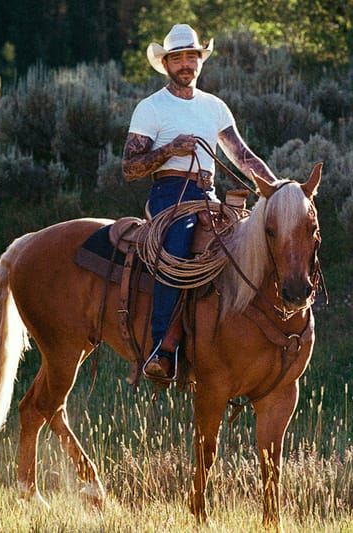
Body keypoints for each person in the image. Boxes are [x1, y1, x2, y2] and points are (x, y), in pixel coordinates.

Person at [122, 23, 278, 380]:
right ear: (166, 64)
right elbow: (130, 168)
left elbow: (243, 156)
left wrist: (276, 189)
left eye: (191, 57)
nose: (185, 65)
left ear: (200, 61)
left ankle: (238, 346)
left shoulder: (214, 107)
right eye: (177, 58)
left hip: (207, 195)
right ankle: (162, 349)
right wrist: (169, 150)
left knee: (251, 243)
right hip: (169, 195)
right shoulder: (151, 108)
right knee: (178, 247)